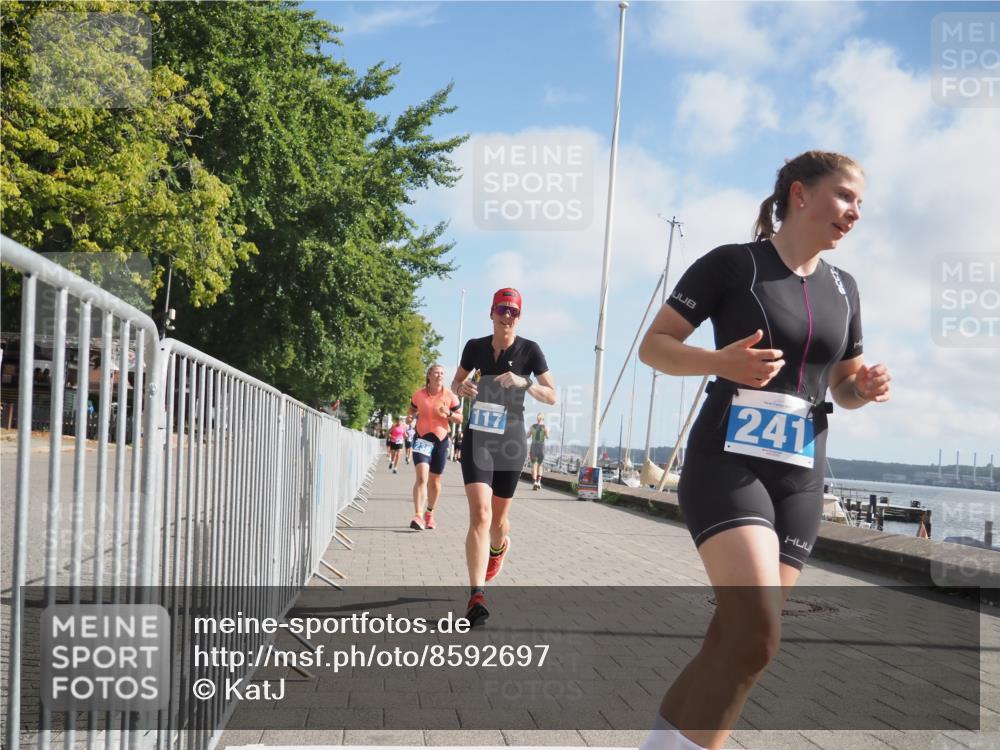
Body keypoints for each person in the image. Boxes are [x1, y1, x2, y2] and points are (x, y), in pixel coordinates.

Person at [636, 151, 891, 750]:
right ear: (800, 195)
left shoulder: (844, 288)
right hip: (730, 462)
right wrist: (719, 362)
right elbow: (655, 346)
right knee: (757, 635)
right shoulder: (732, 265)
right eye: (846, 197)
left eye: (861, 204)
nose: (855, 213)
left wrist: (865, 388)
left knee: (735, 644)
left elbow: (843, 386)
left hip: (801, 478)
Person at [451, 288, 557, 626]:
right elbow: (457, 384)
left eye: (513, 311)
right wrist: (463, 389)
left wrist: (525, 383)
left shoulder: (530, 350)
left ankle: (499, 548)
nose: (507, 315)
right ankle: (476, 595)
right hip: (478, 436)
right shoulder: (475, 347)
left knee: (497, 521)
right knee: (480, 514)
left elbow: (552, 396)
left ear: (519, 316)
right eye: (502, 309)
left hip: (511, 439)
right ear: (492, 311)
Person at [406, 364, 462, 530]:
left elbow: (460, 418)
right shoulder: (419, 394)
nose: (440, 375)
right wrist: (410, 417)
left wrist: (449, 413)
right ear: (429, 375)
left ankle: (429, 513)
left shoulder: (450, 396)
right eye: (436, 372)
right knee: (422, 477)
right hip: (422, 439)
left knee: (435, 481)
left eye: (442, 373)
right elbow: (412, 409)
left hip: (441, 440)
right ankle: (418, 515)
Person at [527, 412, 549, 490]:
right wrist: (546, 434)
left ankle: (535, 482)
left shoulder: (532, 426)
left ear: (537, 418)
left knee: (534, 465)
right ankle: (539, 482)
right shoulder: (545, 427)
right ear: (543, 418)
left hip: (534, 447)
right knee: (540, 465)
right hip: (541, 448)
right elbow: (547, 437)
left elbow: (527, 436)